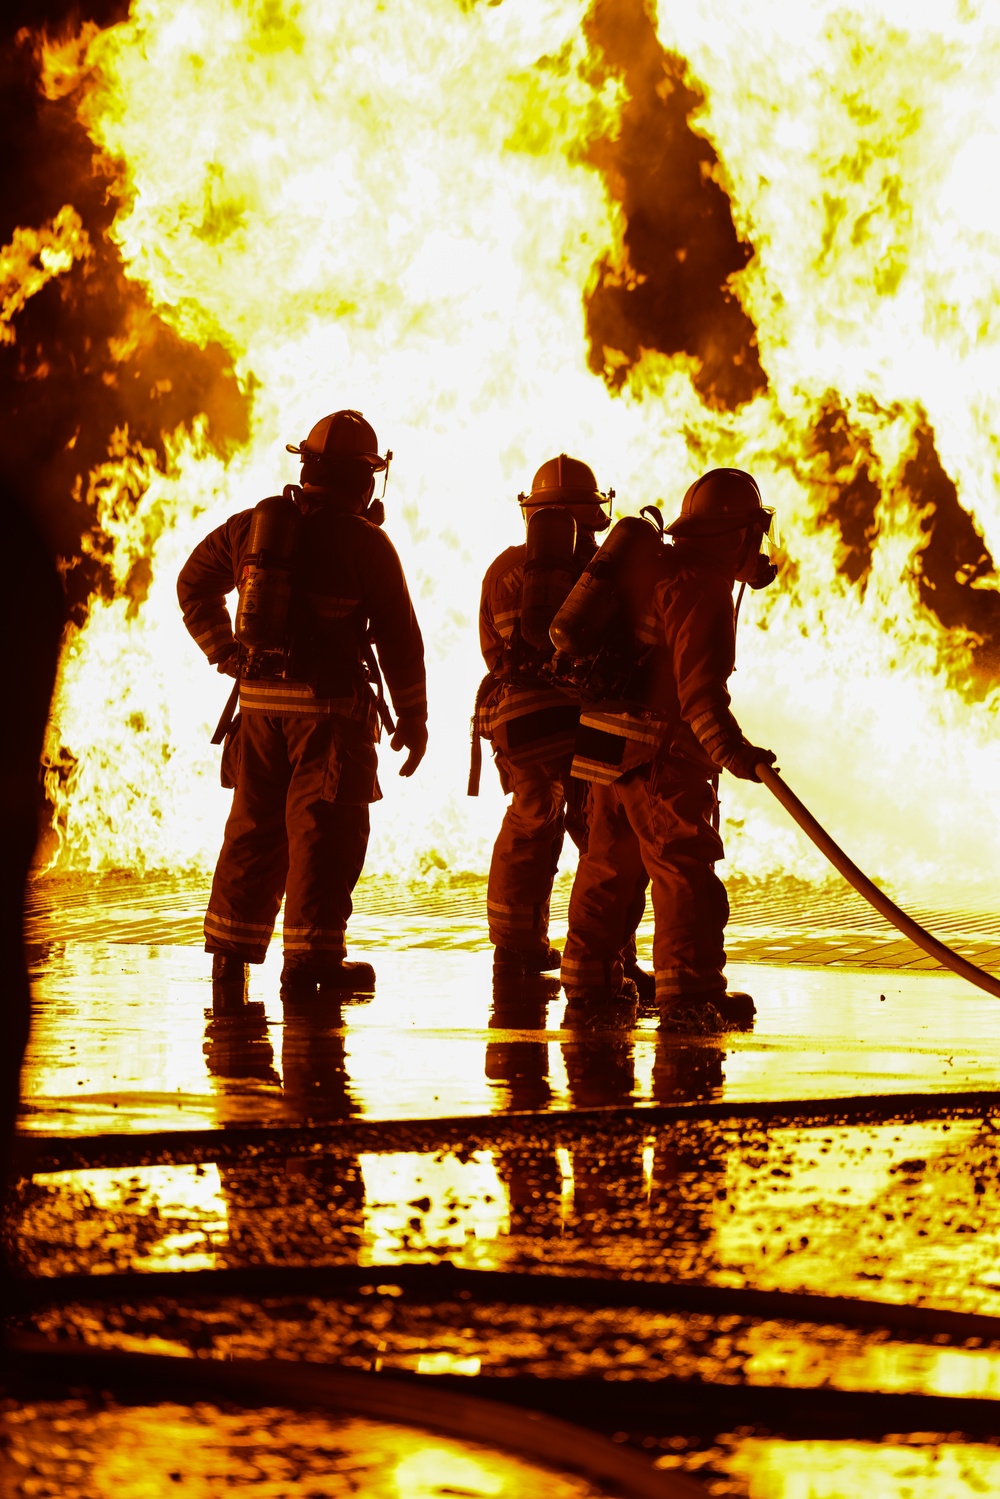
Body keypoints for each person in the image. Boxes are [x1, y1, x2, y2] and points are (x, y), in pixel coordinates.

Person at [178, 410, 427, 997]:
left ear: (308, 467)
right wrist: (413, 719)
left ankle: (230, 963)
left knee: (252, 831)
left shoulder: (250, 529)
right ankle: (312, 966)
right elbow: (398, 636)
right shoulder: (367, 544)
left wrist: (227, 653)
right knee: (323, 834)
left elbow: (193, 584)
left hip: (258, 711)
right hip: (329, 718)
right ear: (364, 479)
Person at [560, 468, 777, 1032]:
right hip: (658, 758)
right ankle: (691, 995)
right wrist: (741, 757)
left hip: (603, 750)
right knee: (683, 871)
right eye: (755, 533)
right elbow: (700, 700)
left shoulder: (654, 569)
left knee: (607, 869)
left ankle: (589, 988)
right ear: (737, 535)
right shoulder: (700, 589)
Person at [474, 455, 652, 997]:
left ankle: (515, 948)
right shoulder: (605, 571)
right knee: (604, 839)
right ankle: (614, 957)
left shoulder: (502, 570)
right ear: (592, 514)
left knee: (530, 822)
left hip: (518, 718)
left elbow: (490, 650)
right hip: (588, 720)